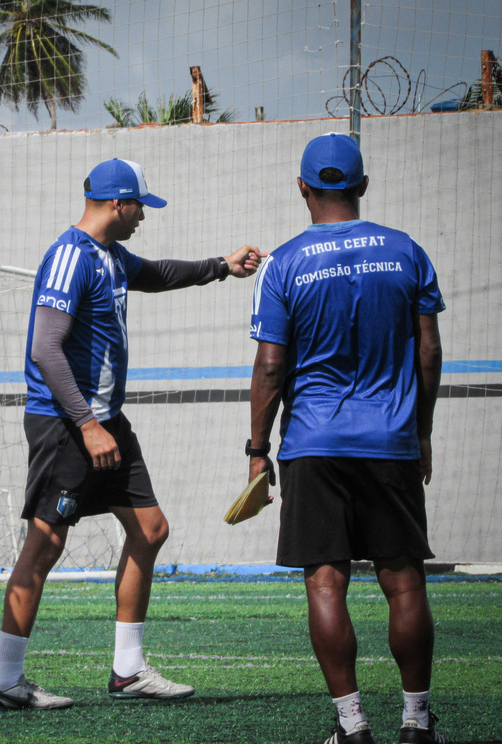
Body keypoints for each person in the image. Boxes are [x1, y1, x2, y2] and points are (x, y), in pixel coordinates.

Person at [0, 157, 263, 710]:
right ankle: (6, 681)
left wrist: (221, 266)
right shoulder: (69, 256)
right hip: (68, 425)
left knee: (150, 529)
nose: (144, 215)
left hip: (106, 422)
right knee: (46, 544)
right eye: (140, 206)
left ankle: (128, 671)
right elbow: (45, 349)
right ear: (119, 203)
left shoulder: (109, 255)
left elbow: (156, 274)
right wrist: (87, 424)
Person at [247, 133, 447, 744]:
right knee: (404, 581)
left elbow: (271, 367)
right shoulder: (406, 251)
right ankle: (416, 723)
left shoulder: (283, 263)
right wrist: (421, 431)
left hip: (313, 444)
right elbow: (429, 352)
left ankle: (353, 727)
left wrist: (257, 451)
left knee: (326, 582)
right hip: (390, 440)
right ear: (362, 185)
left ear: (302, 187)